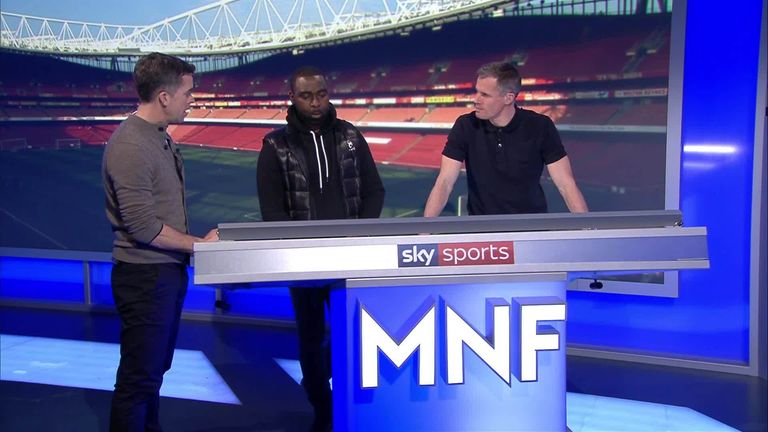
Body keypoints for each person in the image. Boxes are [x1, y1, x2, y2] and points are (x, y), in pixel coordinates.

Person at [257, 66, 385, 432]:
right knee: (311, 338)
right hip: (304, 263)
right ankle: (322, 408)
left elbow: (374, 190)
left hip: (350, 259)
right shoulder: (275, 145)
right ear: (292, 98)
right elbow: (272, 209)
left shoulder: (350, 135)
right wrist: (298, 249)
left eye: (321, 94)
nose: (315, 102)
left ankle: (346, 401)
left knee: (352, 335)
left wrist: (359, 235)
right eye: (306, 96)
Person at [102, 52, 218, 432]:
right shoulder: (132, 145)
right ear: (164, 97)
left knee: (152, 374)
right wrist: (200, 246)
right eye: (187, 92)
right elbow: (143, 227)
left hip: (162, 274)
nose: (192, 99)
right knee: (139, 380)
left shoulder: (158, 138)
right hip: (145, 278)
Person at [424, 61, 588, 216]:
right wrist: (425, 230)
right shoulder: (465, 125)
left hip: (531, 225)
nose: (476, 100)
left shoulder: (540, 126)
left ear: (508, 98)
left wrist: (587, 228)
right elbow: (445, 182)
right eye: (477, 92)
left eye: (485, 95)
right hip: (482, 227)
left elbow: (565, 183)